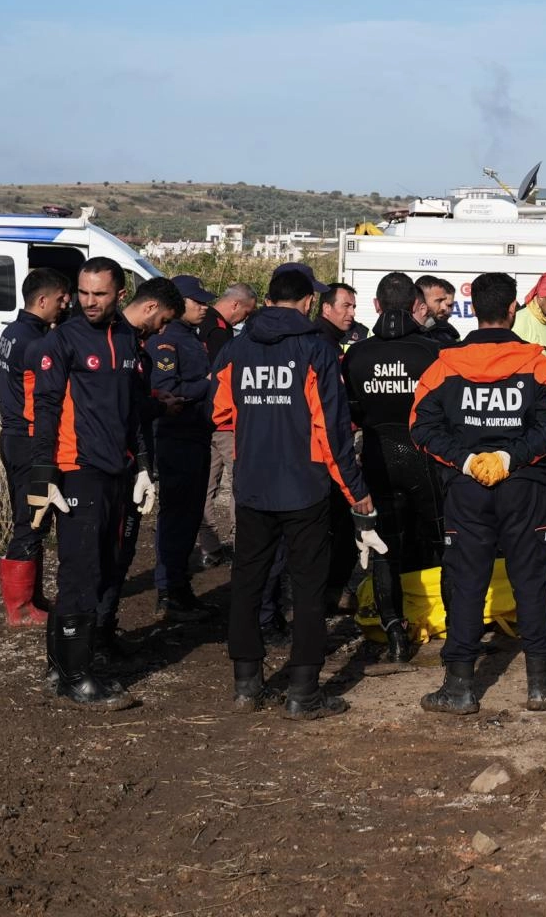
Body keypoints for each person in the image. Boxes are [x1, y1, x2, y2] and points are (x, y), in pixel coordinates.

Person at [213, 264, 378, 718]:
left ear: (269, 299)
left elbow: (220, 411)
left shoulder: (236, 347)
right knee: (307, 588)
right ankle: (303, 692)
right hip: (305, 487)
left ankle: (246, 684)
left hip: (253, 484)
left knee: (247, 581)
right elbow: (332, 429)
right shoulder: (315, 349)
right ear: (307, 302)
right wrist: (355, 490)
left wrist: (256, 435)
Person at [410, 272, 546, 715]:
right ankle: (542, 683)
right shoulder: (537, 364)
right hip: (525, 488)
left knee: (466, 584)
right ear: (513, 309)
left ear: (474, 309)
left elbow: (420, 426)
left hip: (466, 490)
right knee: (530, 582)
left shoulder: (444, 365)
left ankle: (458, 686)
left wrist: (466, 460)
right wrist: (508, 456)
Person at [26, 263, 183, 707]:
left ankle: (61, 668)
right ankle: (75, 676)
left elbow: (132, 409)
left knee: (105, 564)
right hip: (77, 469)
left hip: (118, 469)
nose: (89, 302)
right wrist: (44, 475)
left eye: (99, 294)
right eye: (83, 293)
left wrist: (143, 467)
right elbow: (45, 409)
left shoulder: (129, 341)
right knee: (81, 572)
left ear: (120, 294)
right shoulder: (61, 341)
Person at [342, 271, 444, 663]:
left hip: (377, 458)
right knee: (443, 542)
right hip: (424, 458)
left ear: (377, 306)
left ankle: (396, 637)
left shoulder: (357, 355)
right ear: (417, 306)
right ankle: (456, 631)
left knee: (385, 549)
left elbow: (351, 411)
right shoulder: (431, 351)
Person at [0, 267, 72, 627]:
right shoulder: (35, 342)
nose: (64, 305)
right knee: (31, 520)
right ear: (42, 300)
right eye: (60, 299)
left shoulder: (12, 332)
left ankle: (32, 598)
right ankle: (20, 607)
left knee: (28, 517)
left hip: (12, 436)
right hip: (27, 438)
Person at [147, 275, 220, 623]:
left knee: (190, 515)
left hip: (195, 434)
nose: (204, 307)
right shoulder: (168, 341)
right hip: (176, 436)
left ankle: (179, 587)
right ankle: (169, 590)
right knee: (176, 515)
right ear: (178, 304)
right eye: (197, 301)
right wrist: (207, 385)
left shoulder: (190, 337)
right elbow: (166, 389)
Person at [195, 283, 256, 570]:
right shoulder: (220, 332)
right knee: (240, 484)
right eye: (247, 313)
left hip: (204, 419)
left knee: (206, 486)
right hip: (226, 422)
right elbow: (225, 379)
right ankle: (241, 543)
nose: (245, 319)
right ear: (235, 305)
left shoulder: (199, 323)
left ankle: (209, 547)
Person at [415, 275, 461, 346]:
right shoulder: (401, 330)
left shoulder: (451, 333)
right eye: (439, 301)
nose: (444, 308)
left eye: (450, 305)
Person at [320, 281, 367, 349]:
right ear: (327, 308)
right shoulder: (310, 341)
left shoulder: (363, 333)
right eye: (346, 306)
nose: (353, 313)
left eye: (353, 307)